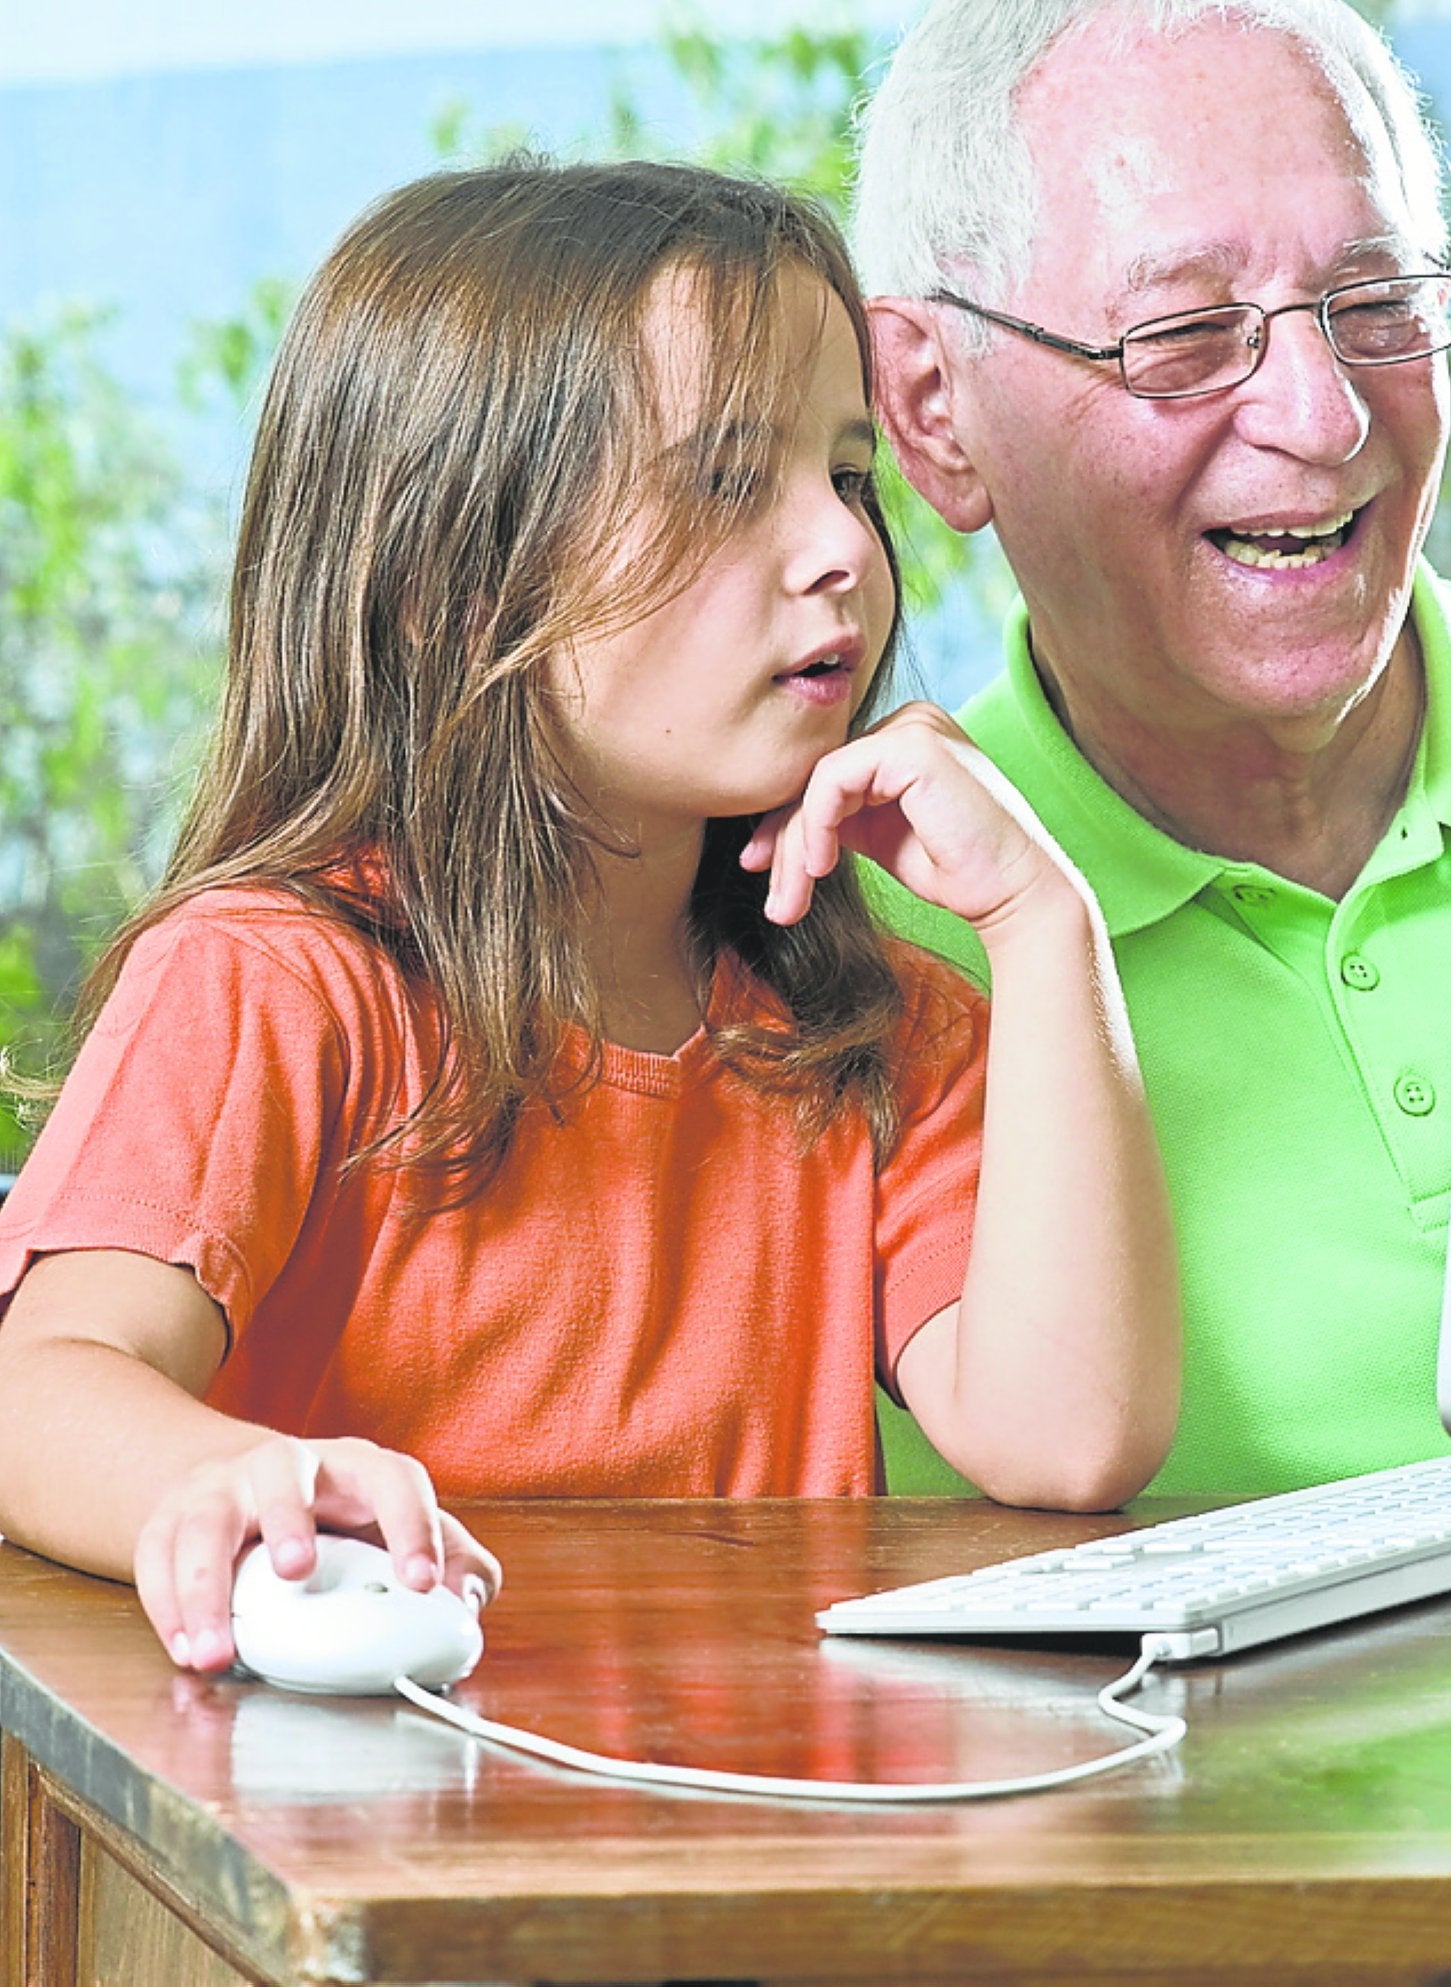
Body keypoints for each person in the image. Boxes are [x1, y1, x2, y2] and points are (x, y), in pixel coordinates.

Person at [0, 160, 1179, 1675]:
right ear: (452, 582)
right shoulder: (268, 984)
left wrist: (1044, 920)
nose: (840, 551)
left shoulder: (870, 1029)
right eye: (720, 484)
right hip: (369, 1830)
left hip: (762, 1835)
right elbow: (39, 1386)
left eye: (847, 475)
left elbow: (1070, 1440)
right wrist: (214, 1485)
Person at [852, 0, 1451, 1496]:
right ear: (935, 413)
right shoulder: (830, 945)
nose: (1326, 417)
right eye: (1188, 336)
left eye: (1382, 300)